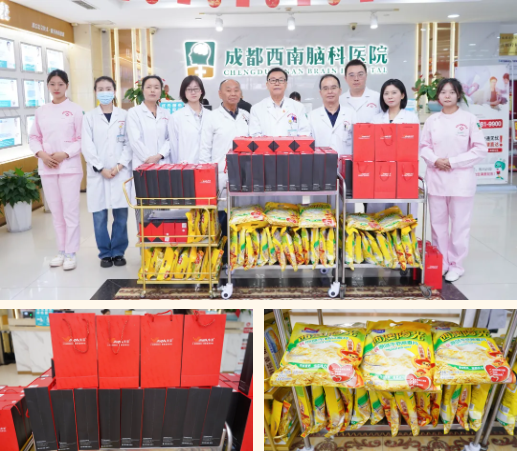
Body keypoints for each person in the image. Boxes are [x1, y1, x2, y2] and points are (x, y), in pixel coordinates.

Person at [420, 78, 488, 283]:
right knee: (438, 224)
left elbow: (480, 149)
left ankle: (457, 265)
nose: (447, 96)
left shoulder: (469, 119)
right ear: (438, 96)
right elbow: (424, 146)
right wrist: (435, 160)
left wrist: (453, 162)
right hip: (436, 179)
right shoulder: (432, 120)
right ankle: (441, 262)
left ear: (458, 94)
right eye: (443, 92)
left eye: (451, 92)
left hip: (461, 181)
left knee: (460, 225)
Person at [29, 69, 83, 271]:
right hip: (47, 167)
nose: (56, 88)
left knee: (70, 212)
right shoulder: (41, 111)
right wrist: (41, 154)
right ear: (48, 86)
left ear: (67, 85)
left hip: (69, 168)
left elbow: (81, 138)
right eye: (52, 84)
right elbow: (34, 137)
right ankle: (61, 250)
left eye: (60, 84)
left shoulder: (75, 110)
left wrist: (65, 154)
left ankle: (71, 252)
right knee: (56, 213)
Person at [82, 76, 131, 268]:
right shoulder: (89, 117)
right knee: (99, 217)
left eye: (108, 88)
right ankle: (105, 253)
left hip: (120, 172)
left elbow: (129, 144)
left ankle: (118, 252)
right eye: (100, 89)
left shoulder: (124, 116)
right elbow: (87, 146)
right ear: (95, 92)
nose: (104, 92)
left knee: (121, 216)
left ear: (114, 91)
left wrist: (119, 166)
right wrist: (101, 168)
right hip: (98, 174)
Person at [199, 79, 250, 229]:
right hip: (221, 175)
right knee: (221, 219)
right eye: (228, 90)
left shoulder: (246, 116)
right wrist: (206, 178)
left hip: (244, 175)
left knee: (243, 218)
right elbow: (204, 149)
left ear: (240, 93)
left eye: (236, 90)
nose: (233, 93)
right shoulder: (211, 117)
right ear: (220, 94)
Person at [127, 75, 170, 208]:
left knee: (164, 206)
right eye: (149, 87)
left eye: (156, 87)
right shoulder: (134, 113)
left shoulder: (166, 113)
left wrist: (159, 155)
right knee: (143, 208)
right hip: (142, 164)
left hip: (162, 163)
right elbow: (135, 140)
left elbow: (170, 139)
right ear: (143, 90)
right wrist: (148, 158)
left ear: (161, 91)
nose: (152, 90)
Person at [249, 67, 310, 137]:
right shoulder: (256, 109)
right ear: (267, 85)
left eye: (281, 80)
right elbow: (254, 135)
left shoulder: (298, 107)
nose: (277, 83)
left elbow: (304, 133)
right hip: (266, 145)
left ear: (286, 84)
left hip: (293, 145)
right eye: (273, 80)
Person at [309, 74, 356, 156]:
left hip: (346, 163)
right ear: (320, 93)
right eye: (325, 88)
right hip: (321, 163)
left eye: (333, 88)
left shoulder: (351, 114)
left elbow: (357, 143)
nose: (330, 92)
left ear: (340, 91)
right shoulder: (312, 116)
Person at [169, 76, 210, 165]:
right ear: (184, 92)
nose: (193, 92)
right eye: (189, 89)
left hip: (208, 166)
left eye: (196, 89)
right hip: (185, 166)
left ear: (201, 91)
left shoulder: (211, 116)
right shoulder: (176, 117)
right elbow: (173, 147)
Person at [340, 59, 381, 123]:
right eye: (351, 75)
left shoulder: (378, 98)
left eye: (360, 74)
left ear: (366, 76)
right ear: (345, 78)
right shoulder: (340, 100)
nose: (356, 79)